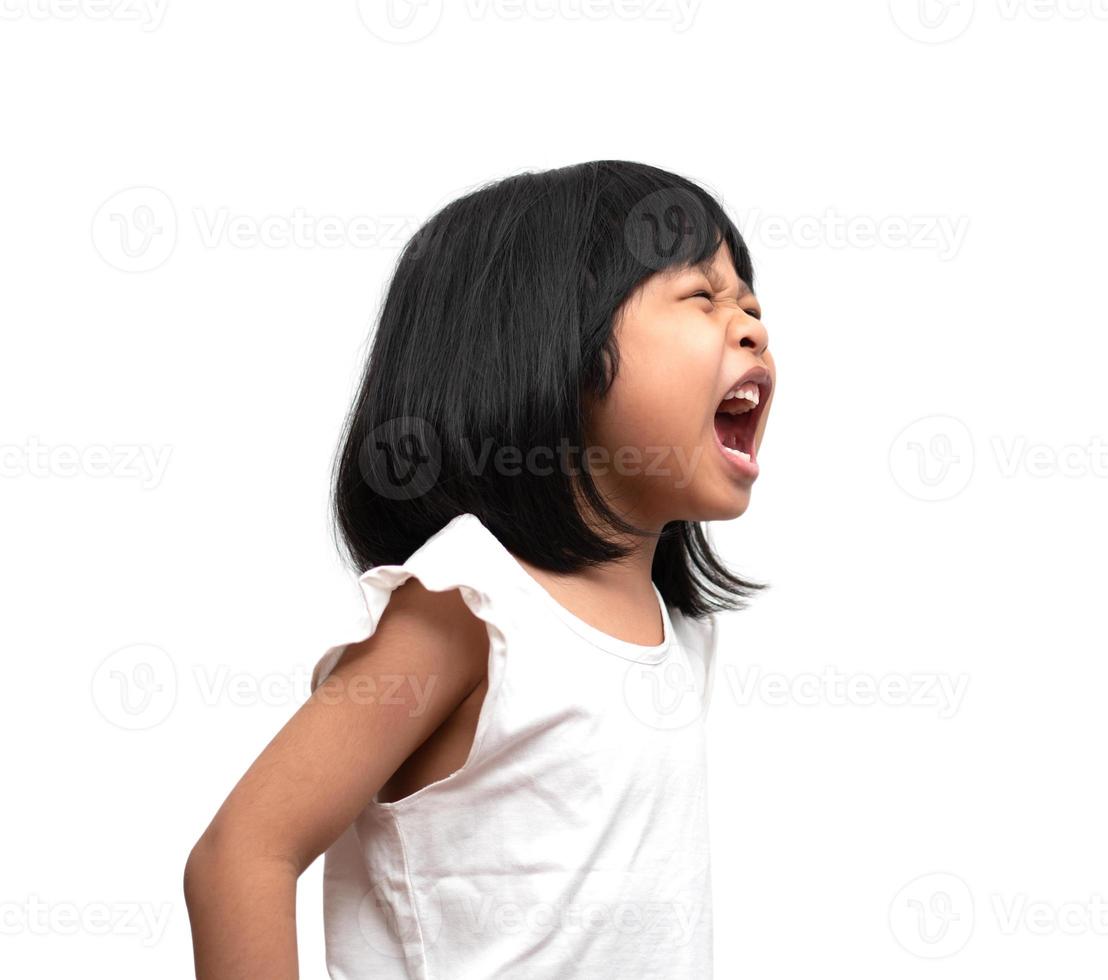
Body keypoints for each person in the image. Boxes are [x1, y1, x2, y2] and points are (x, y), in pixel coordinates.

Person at [183, 160, 776, 979]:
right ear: (552, 348)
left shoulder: (682, 638)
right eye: (702, 298)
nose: (750, 325)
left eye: (749, 303)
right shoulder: (470, 607)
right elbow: (242, 855)